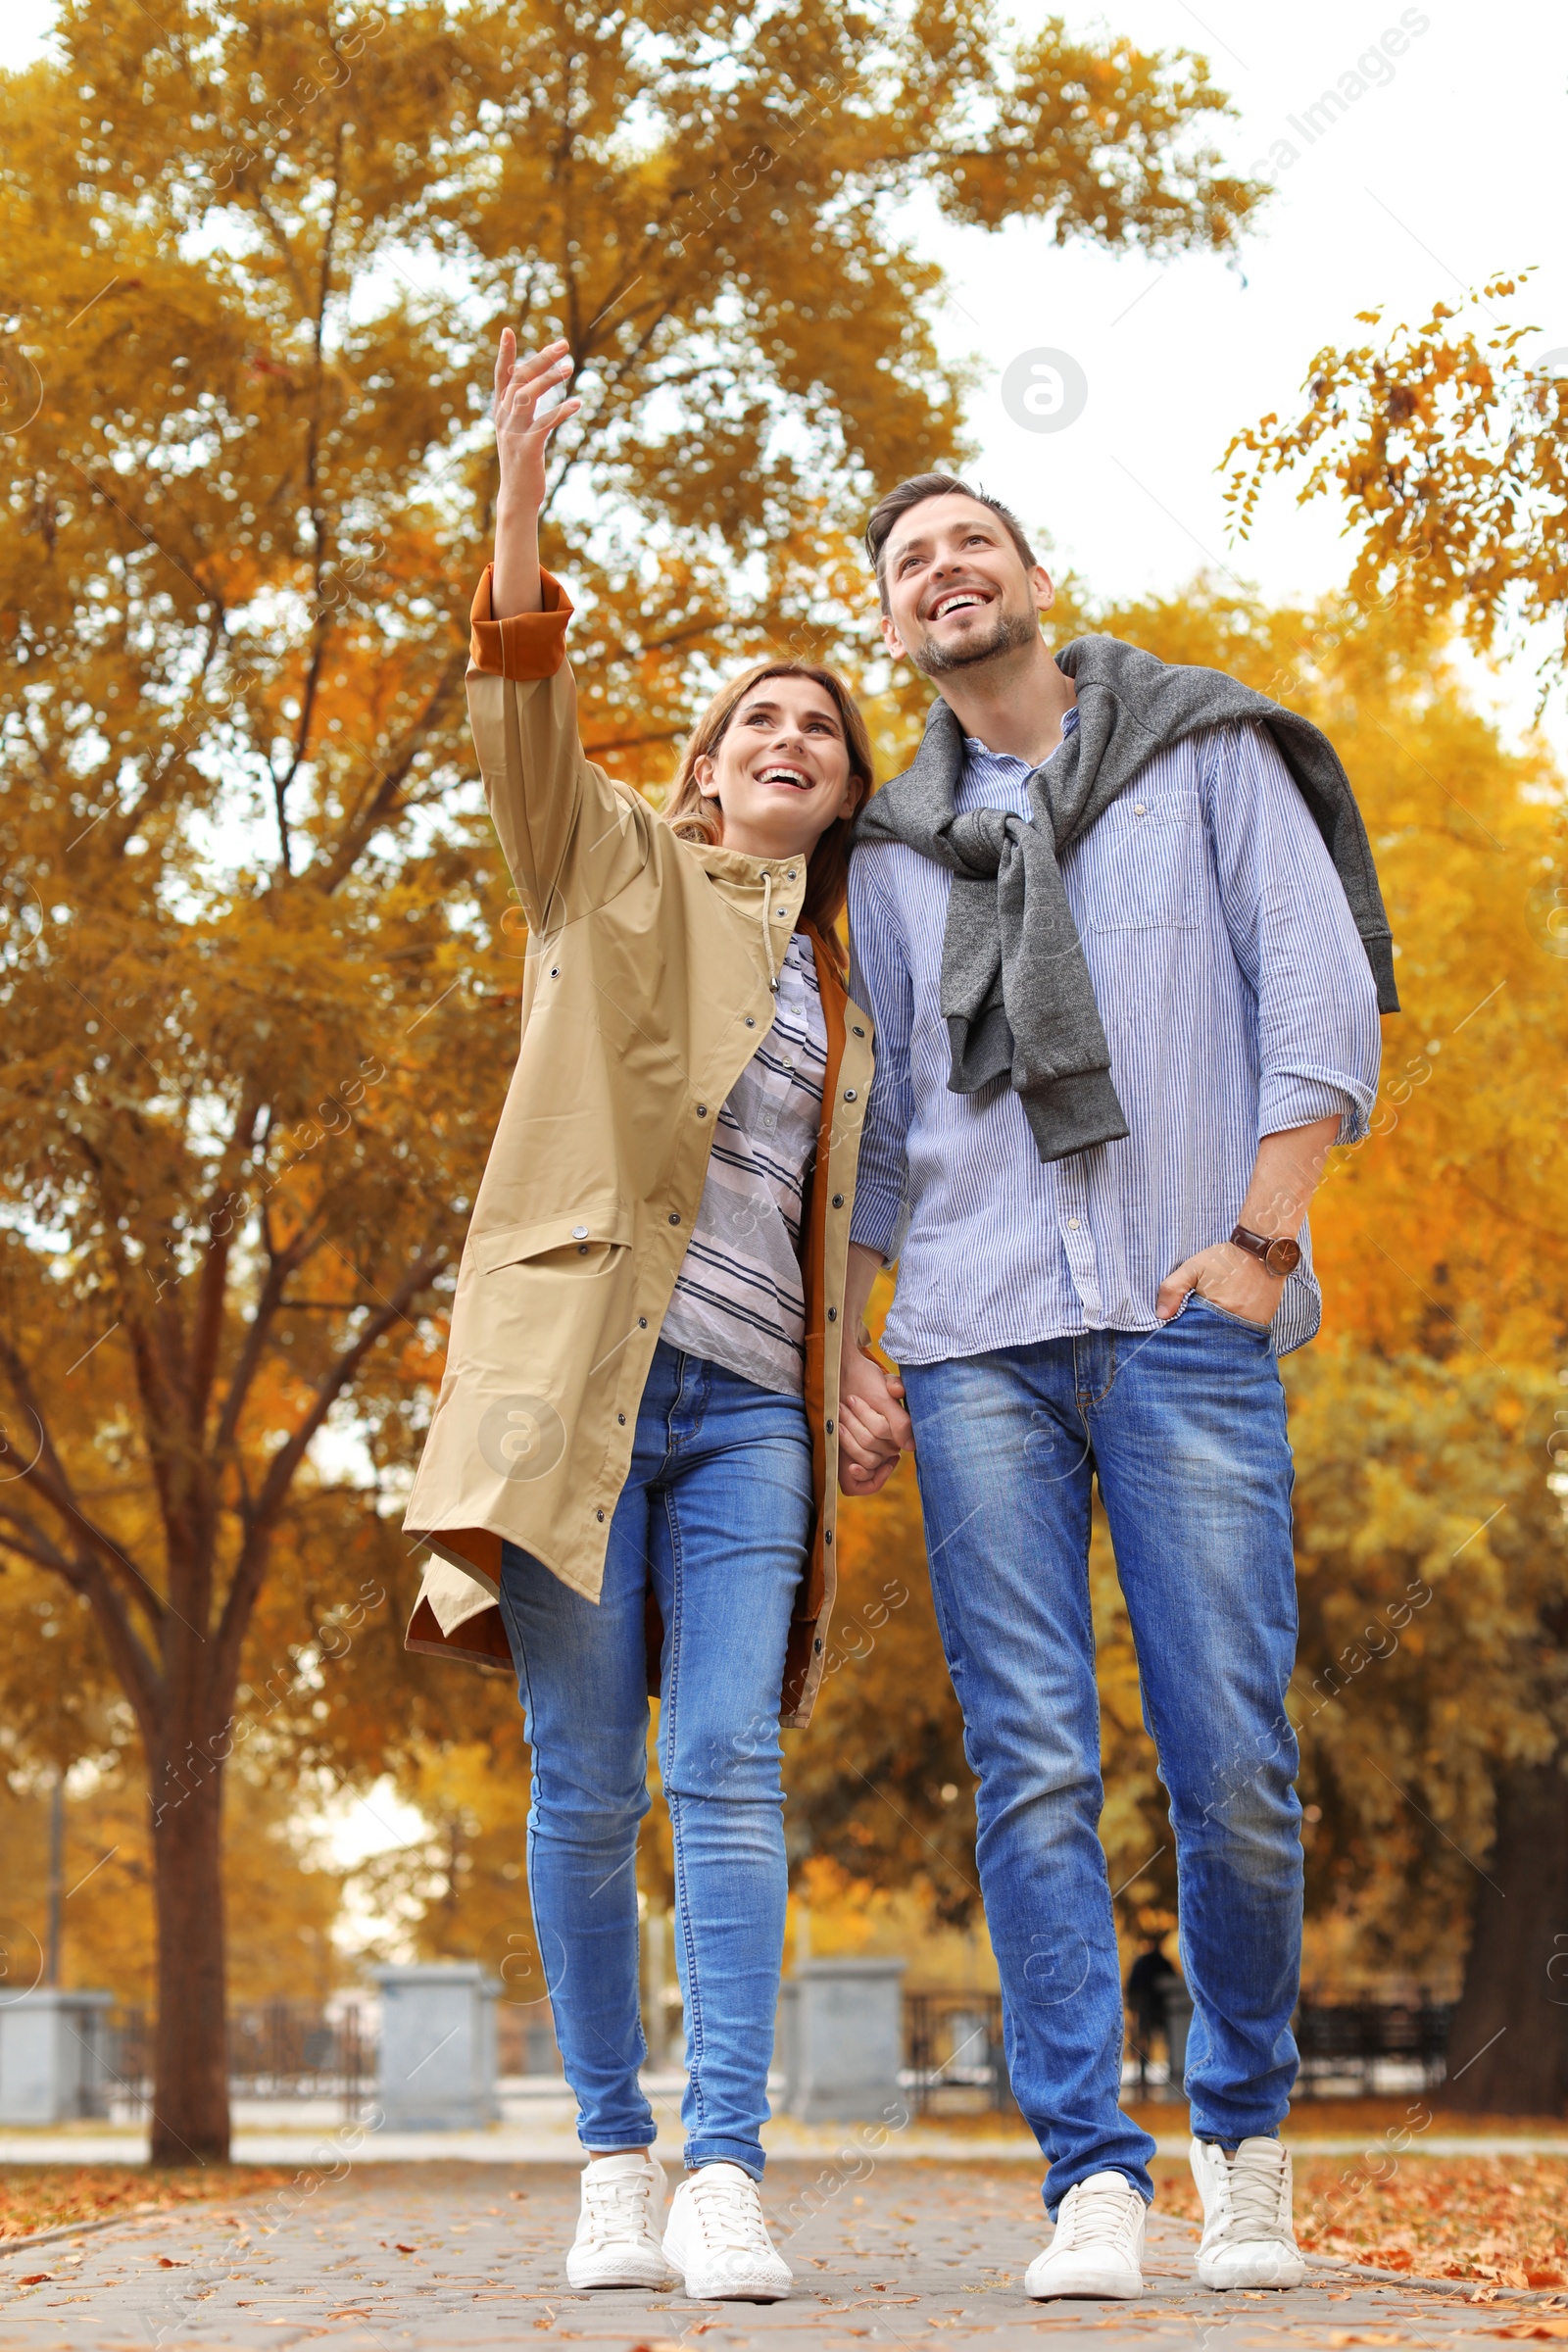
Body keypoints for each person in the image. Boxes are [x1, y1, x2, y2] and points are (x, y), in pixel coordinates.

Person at [835, 473, 1392, 2301]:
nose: (944, 572)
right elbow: (887, 1124)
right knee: (1032, 1764)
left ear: (1031, 577)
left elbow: (1313, 999)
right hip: (976, 1338)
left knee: (1231, 1753)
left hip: (1188, 1312)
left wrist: (1264, 1242)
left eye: (966, 543)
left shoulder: (1203, 752)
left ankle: (1243, 2142)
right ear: (896, 624)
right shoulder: (897, 852)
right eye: (909, 563)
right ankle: (1090, 2174)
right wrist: (852, 1338)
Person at [399, 335, 882, 2304]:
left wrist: (853, 1353)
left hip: (747, 1419)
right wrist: (518, 491)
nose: (789, 735)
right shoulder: (601, 867)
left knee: (726, 1775)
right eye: (756, 716)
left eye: (822, 731)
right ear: (698, 768)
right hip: (583, 1392)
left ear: (841, 795)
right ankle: (610, 2154)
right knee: (585, 1780)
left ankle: (723, 2169)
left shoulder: (845, 989)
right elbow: (520, 703)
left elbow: (842, 1209)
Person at [1125, 1937, 1180, 2098]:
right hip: (1159, 2008)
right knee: (1157, 2041)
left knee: (1144, 2042)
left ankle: (1143, 2075)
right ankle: (1154, 2073)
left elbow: (1133, 1987)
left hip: (1149, 2008)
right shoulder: (1162, 1962)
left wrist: (1134, 2005)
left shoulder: (1143, 1963)